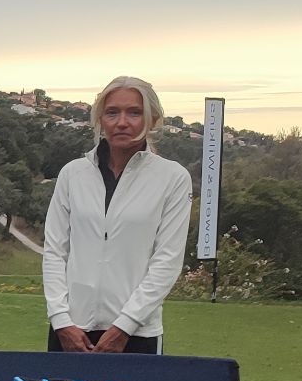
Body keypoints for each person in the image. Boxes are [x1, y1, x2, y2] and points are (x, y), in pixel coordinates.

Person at [43, 75, 193, 355]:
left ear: (153, 119)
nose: (122, 122)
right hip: (70, 331)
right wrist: (61, 320)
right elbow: (54, 252)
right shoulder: (73, 174)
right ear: (100, 119)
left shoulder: (172, 178)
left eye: (134, 112)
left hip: (137, 333)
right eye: (112, 113)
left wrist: (125, 326)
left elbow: (167, 261)